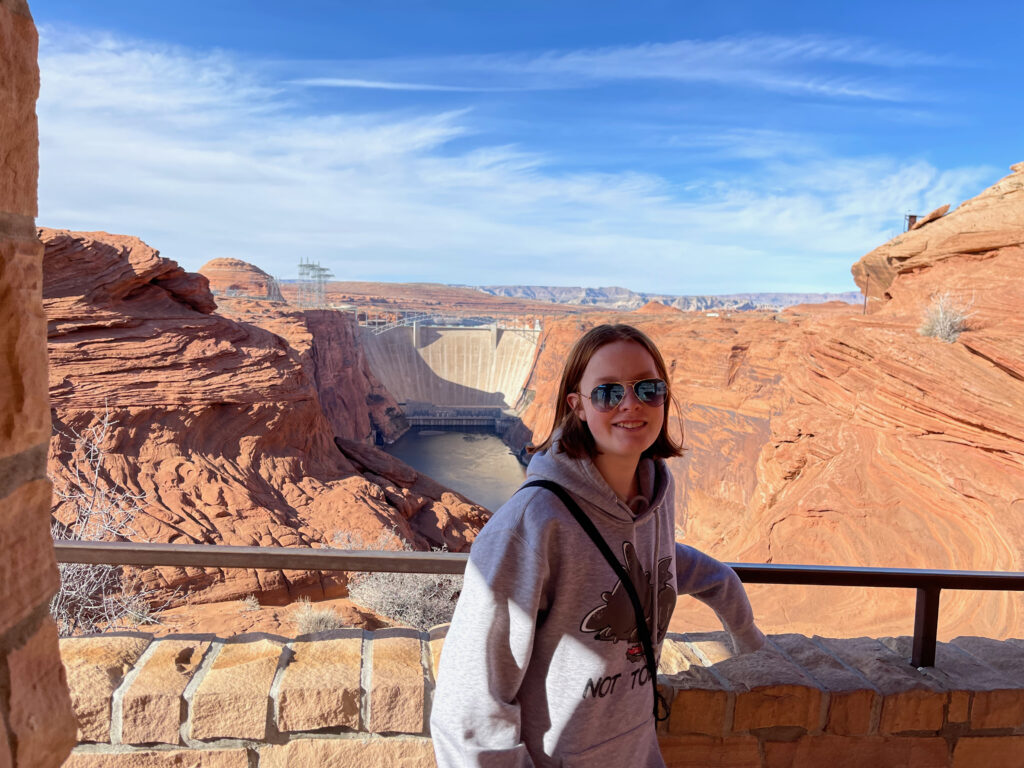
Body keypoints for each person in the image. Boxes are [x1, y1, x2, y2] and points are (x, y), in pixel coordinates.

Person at [431, 323, 765, 768]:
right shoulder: (532, 524)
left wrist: (748, 636)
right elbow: (467, 709)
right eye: (608, 392)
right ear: (578, 406)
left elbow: (666, 563)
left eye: (648, 388)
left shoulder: (654, 497)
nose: (631, 404)